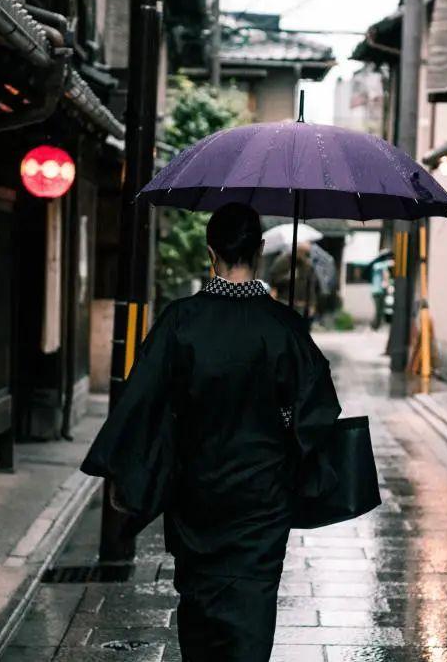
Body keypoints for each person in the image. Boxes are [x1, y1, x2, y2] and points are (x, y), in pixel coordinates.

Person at [81, 203, 341, 662]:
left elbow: (142, 401)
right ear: (260, 250)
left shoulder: (181, 320)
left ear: (210, 252)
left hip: (197, 495)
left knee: (198, 609)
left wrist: (127, 476)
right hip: (262, 502)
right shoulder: (283, 325)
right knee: (253, 607)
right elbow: (317, 411)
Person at [268, 242, 321, 328]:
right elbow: (273, 280)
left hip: (301, 303)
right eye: (301, 251)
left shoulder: (307, 265)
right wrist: (287, 277)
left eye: (306, 252)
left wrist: (312, 304)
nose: (303, 254)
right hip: (284, 300)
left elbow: (310, 286)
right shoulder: (282, 261)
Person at [370, 256, 390, 330]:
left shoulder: (383, 270)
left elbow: (386, 279)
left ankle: (377, 325)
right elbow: (377, 266)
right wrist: (387, 263)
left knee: (381, 310)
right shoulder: (377, 267)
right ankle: (374, 325)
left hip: (382, 291)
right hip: (376, 292)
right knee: (378, 310)